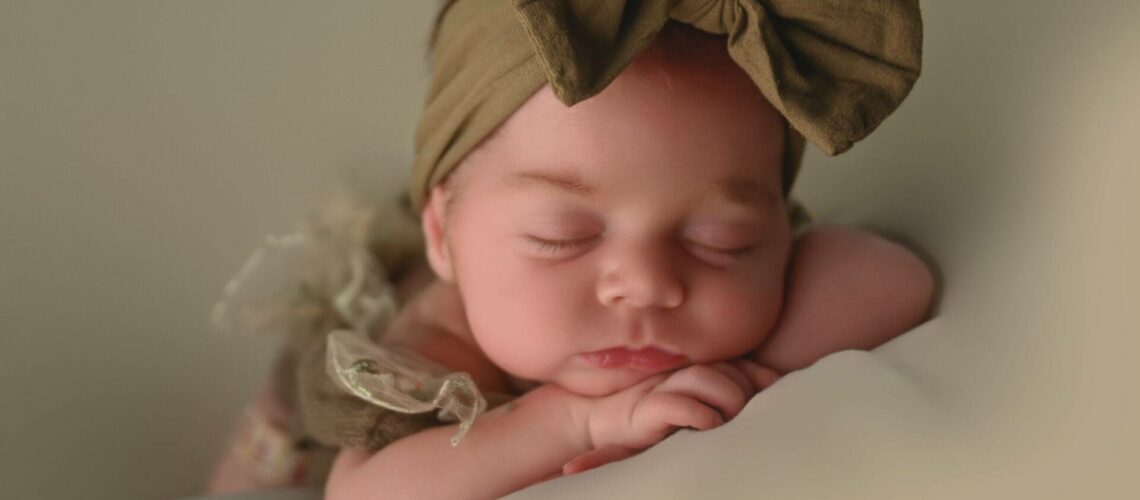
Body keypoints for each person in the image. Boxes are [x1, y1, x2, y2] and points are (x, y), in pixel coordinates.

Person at [208, 1, 931, 498]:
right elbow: (369, 492)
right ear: (444, 238)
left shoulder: (730, 288)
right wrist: (578, 421)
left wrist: (746, 372)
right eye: (564, 238)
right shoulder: (434, 340)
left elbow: (893, 279)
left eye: (721, 240)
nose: (646, 285)